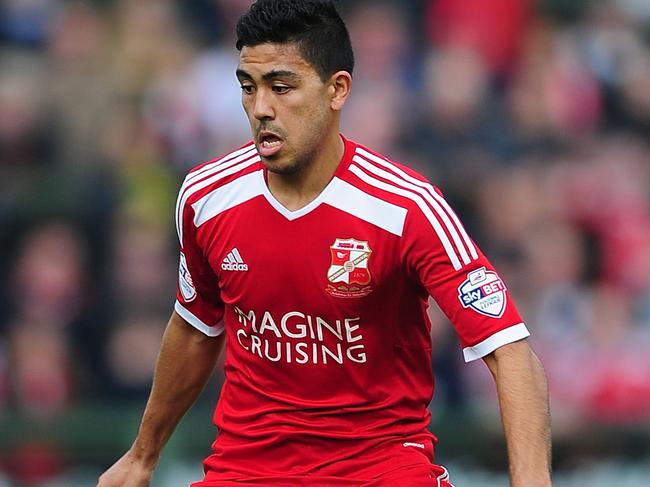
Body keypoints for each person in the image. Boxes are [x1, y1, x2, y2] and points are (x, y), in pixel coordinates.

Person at [97, 1, 551, 486]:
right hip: (246, 471)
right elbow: (194, 327)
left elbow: (509, 351)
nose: (261, 108)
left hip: (380, 469)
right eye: (248, 88)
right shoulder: (205, 196)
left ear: (338, 89)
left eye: (282, 86)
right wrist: (142, 456)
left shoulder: (407, 207)